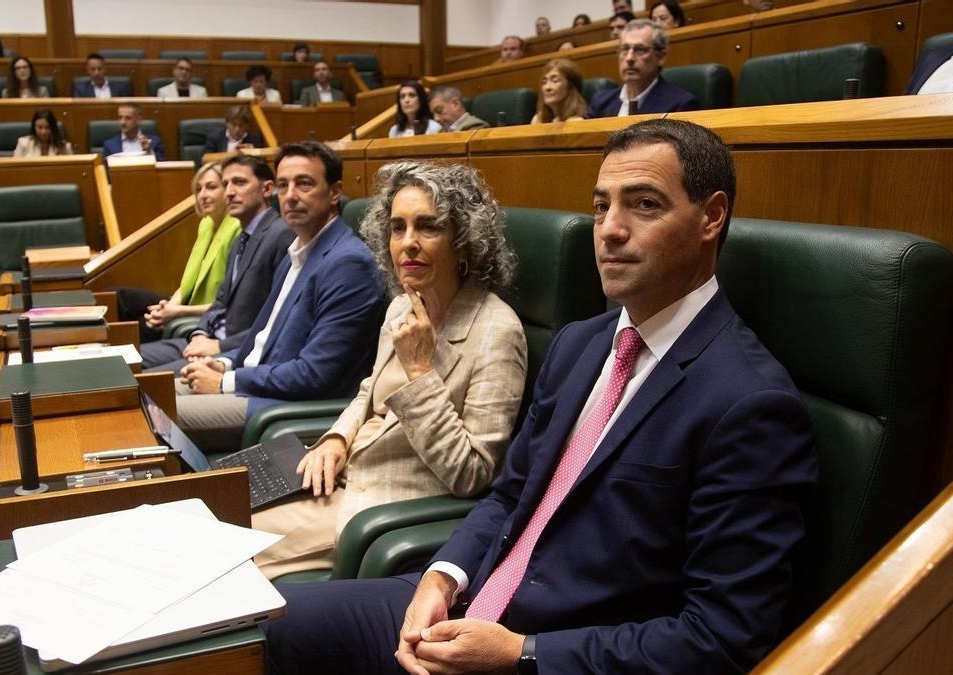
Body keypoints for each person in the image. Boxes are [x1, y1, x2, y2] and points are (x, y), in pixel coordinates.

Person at [262, 117, 818, 675]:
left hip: (556, 647)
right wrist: (442, 575)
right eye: (602, 207)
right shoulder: (581, 343)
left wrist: (521, 654)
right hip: (468, 596)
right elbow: (508, 496)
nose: (610, 230)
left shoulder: (750, 402)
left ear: (711, 217)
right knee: (255, 628)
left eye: (644, 204)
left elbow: (719, 639)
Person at [252, 161, 526, 580]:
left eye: (428, 227)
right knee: (209, 509)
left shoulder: (497, 331)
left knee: (219, 558)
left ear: (465, 241)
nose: (408, 243)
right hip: (336, 478)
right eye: (398, 228)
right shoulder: (403, 303)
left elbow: (471, 473)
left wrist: (419, 371)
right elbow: (368, 393)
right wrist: (336, 439)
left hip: (378, 513)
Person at [174, 142, 383, 454]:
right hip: (252, 382)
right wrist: (222, 363)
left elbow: (316, 375)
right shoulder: (295, 253)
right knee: (151, 394)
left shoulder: (347, 263)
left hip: (280, 405)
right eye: (283, 185)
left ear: (335, 192)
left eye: (304, 183)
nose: (290, 196)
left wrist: (227, 381)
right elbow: (261, 337)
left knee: (157, 416)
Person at [138, 154, 295, 369]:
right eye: (225, 184)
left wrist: (218, 345)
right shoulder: (242, 237)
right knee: (122, 362)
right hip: (208, 340)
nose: (229, 192)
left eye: (239, 183)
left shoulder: (281, 236)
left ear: (266, 189)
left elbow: (277, 320)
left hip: (235, 351)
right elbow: (220, 303)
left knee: (148, 382)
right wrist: (200, 334)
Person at [124, 162, 244, 344]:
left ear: (228, 189)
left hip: (206, 311)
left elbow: (228, 303)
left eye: (211, 187)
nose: (202, 195)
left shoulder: (238, 230)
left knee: (140, 328)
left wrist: (175, 312)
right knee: (120, 297)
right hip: (190, 301)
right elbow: (190, 282)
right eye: (198, 189)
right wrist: (169, 307)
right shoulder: (206, 224)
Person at [587, 19, 699, 118]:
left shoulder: (680, 104)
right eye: (625, 49)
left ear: (660, 57)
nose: (629, 58)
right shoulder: (601, 101)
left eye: (640, 50)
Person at [101, 103, 165, 160]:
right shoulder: (109, 145)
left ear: (139, 120)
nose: (122, 122)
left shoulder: (155, 142)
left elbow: (162, 167)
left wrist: (149, 151)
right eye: (120, 118)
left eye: (128, 118)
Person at [532, 58, 587, 123]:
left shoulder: (576, 122)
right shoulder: (537, 120)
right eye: (544, 82)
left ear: (570, 85)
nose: (547, 87)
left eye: (555, 81)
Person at [203, 105, 267, 154]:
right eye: (234, 124)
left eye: (241, 125)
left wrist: (254, 153)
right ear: (227, 123)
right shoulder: (214, 137)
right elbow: (205, 160)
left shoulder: (255, 139)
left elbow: (262, 165)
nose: (237, 129)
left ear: (247, 125)